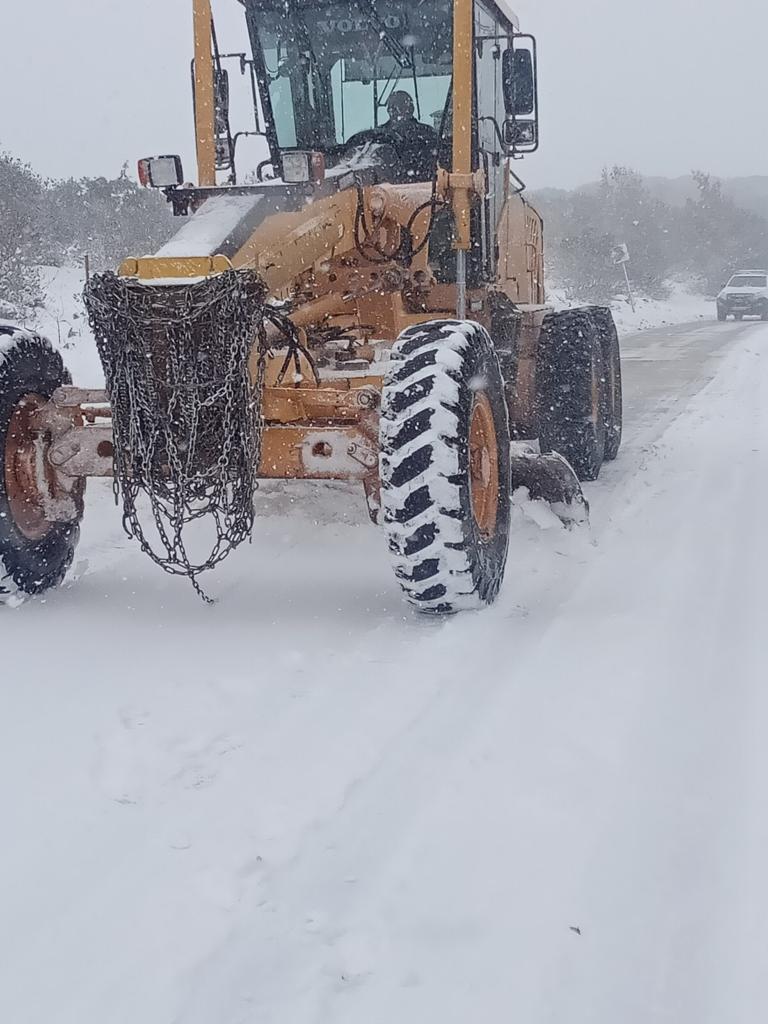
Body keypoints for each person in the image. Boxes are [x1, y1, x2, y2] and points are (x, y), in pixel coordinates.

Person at [383, 90, 438, 181]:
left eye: (399, 106)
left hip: (423, 190)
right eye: (392, 107)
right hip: (384, 192)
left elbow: (436, 168)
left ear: (411, 109)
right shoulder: (379, 137)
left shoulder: (428, 136)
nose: (393, 110)